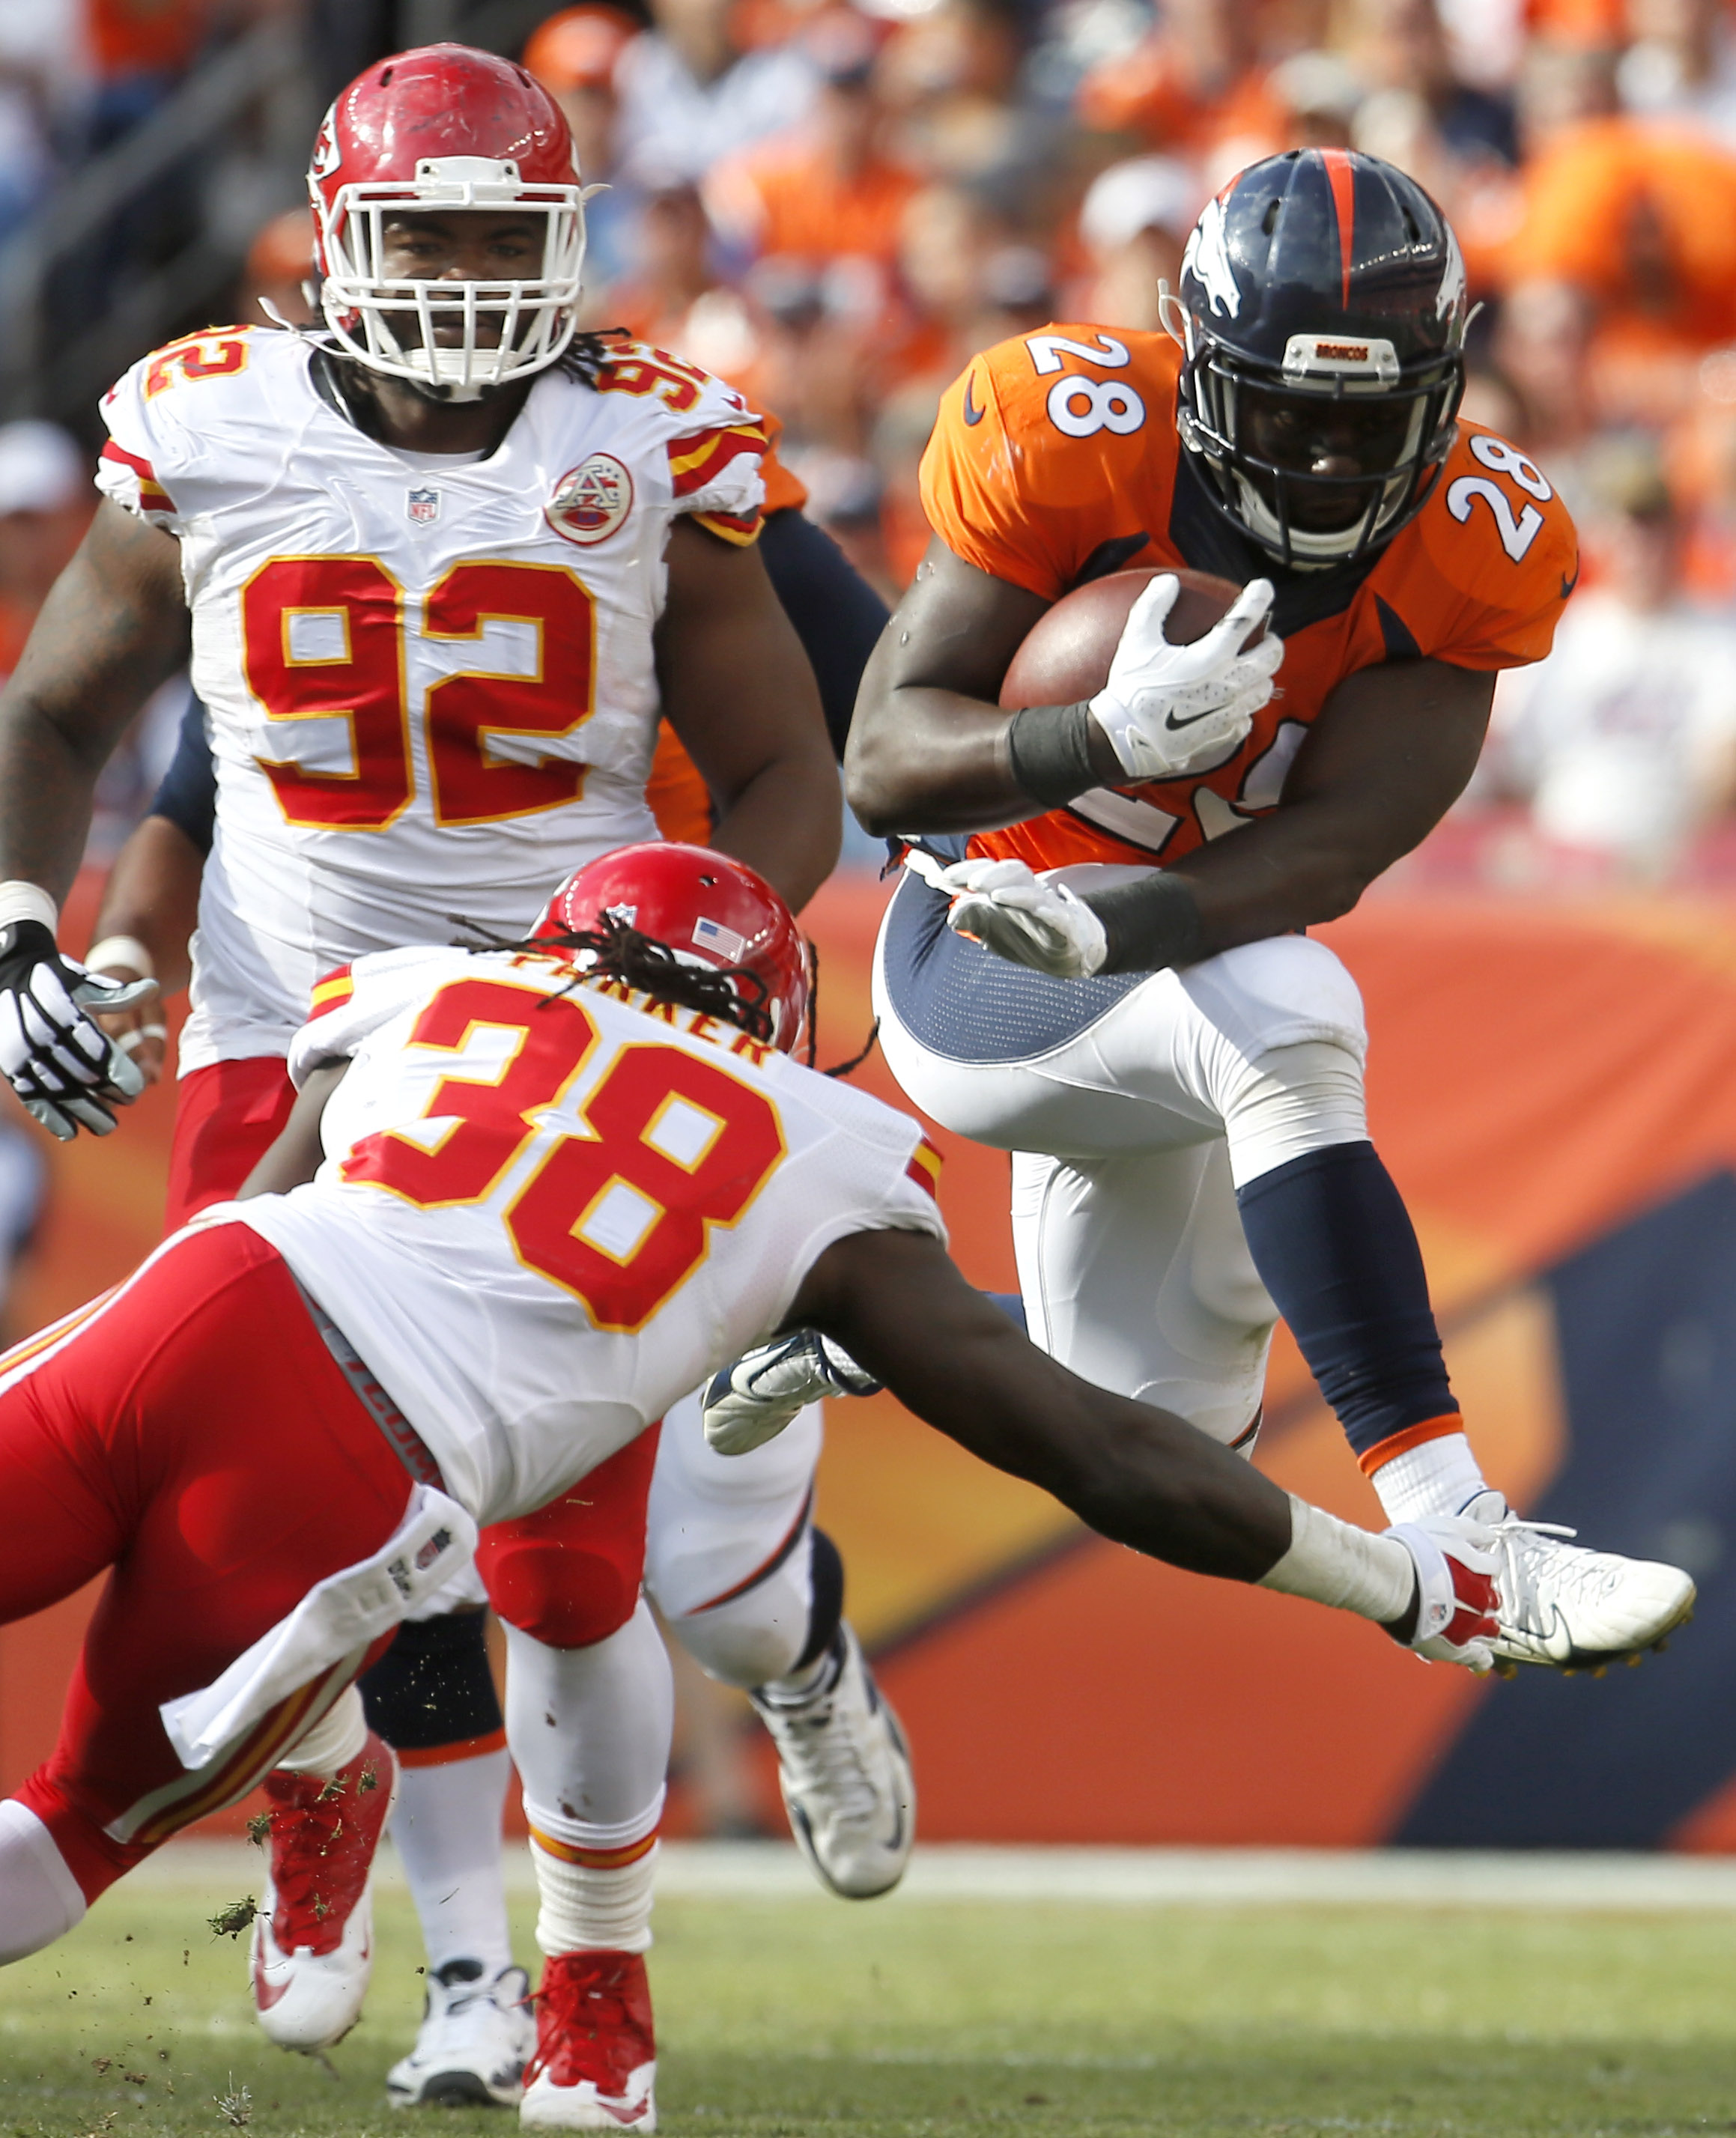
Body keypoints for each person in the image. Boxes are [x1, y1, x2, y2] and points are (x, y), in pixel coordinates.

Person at [0, 841, 1510, 2131]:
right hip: (341, 1460)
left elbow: (271, 1216)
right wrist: (1393, 1578)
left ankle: (575, 1949)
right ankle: (566, 1961)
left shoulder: (432, 985)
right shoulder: (830, 1145)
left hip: (189, 1312)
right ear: (777, 1015)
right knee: (69, 1830)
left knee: (593, 1589)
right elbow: (1093, 1447)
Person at [0, 38, 898, 2118]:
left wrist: (683, 977)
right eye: (437, 232)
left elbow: (787, 772)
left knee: (566, 1566)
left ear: (570, 236)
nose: (481, 272)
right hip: (285, 1023)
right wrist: (30, 930)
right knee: (277, 1511)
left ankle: (589, 1982)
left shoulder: (648, 440)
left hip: (552, 1049)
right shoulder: (206, 424)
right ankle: (349, 1827)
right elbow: (62, 707)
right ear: (337, 243)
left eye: (515, 230)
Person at [747, 147, 1695, 1677]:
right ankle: (1458, 1530)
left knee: (1157, 1439)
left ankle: (878, 1322)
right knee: (1294, 1010)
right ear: (1199, 371)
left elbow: (1330, 854)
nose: (1326, 462)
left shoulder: (1479, 536)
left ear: (1441, 394)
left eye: (1366, 419)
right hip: (981, 944)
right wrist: (1087, 746)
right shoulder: (1069, 433)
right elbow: (886, 758)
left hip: (1145, 955)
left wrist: (1125, 927)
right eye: (1289, 412)